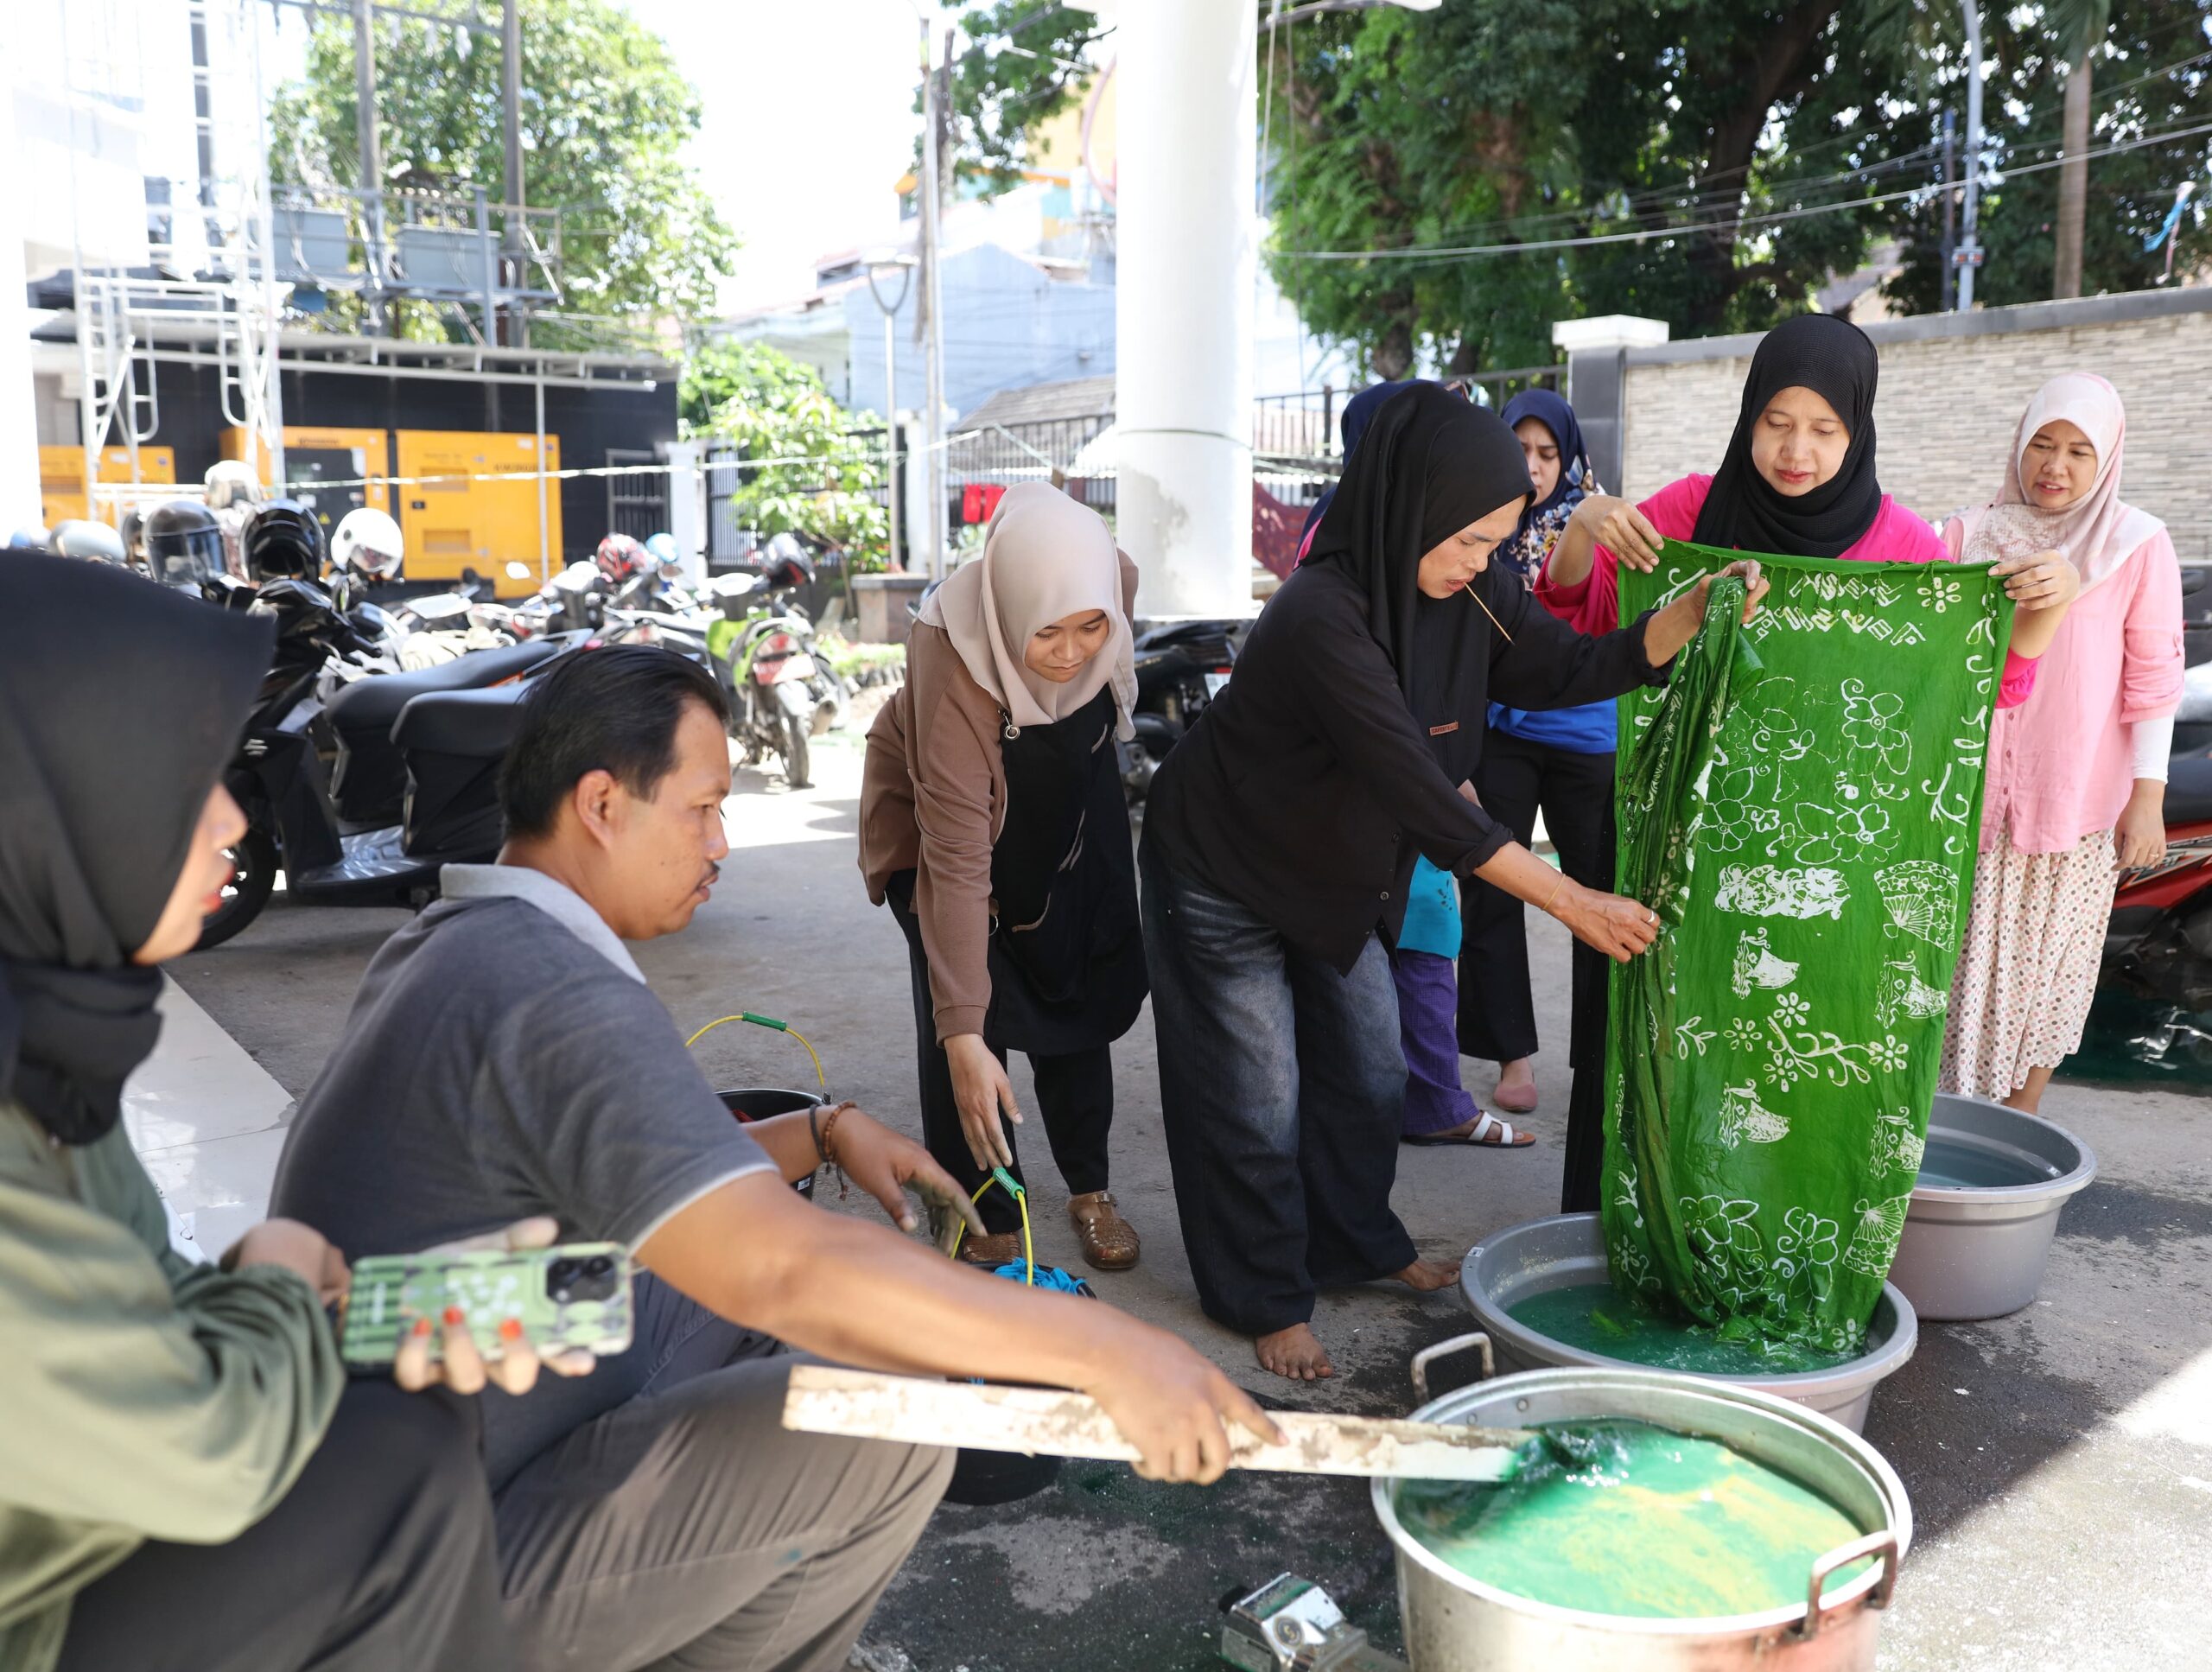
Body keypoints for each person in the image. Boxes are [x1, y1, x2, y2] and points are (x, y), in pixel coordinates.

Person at [270, 645, 1279, 1672]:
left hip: (449, 1413)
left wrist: (825, 1130)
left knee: (823, 1301)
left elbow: (637, 1181)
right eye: (703, 808)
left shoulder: (458, 942)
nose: (720, 843)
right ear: (603, 805)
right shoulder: (548, 991)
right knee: (891, 1420)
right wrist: (1106, 1351)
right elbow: (778, 1265)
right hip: (418, 1574)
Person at [0, 551, 578, 1672]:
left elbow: (114, 1321)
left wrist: (288, 1295)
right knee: (390, 1468)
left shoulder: (47, 1046)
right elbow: (206, 1444)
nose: (228, 820)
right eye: (180, 778)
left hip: (63, 1530)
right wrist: (271, 1277)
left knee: (394, 1396)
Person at [1139, 383, 1772, 1381]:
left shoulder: (1470, 589)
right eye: (1472, 541)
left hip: (1335, 872)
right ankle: (1262, 1292)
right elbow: (1423, 795)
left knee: (1370, 1068)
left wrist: (1681, 619)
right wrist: (1574, 901)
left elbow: (1564, 664)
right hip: (1225, 871)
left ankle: (1352, 1244)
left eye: (1495, 543)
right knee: (1254, 1094)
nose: (1486, 563)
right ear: (1411, 507)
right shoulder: (1321, 616)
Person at [1535, 312, 2078, 1211]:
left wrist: (2042, 616)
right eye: (1776, 421)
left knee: (1792, 1055)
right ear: (1748, 416)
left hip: (1828, 854)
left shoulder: (1902, 547)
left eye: (1825, 429)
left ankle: (1775, 1238)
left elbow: (1972, 689)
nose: (1797, 450)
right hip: (1681, 835)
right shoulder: (1685, 512)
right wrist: (1581, 525)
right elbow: (1584, 615)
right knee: (1664, 1042)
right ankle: (1635, 1234)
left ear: (1857, 430)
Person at [860, 484, 1148, 1270]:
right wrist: (961, 1030)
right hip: (946, 823)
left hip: (1064, 805)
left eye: (1092, 627)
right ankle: (989, 1204)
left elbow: (1096, 634)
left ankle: (1090, 1188)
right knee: (965, 1012)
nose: (1070, 652)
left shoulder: (1111, 577)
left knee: (1073, 990)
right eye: (1045, 630)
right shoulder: (948, 656)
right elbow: (954, 858)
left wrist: (1093, 626)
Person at [1940, 373, 2184, 1112]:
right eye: (2042, 444)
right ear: (2019, 444)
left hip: (2073, 803)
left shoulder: (2134, 543)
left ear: (2107, 458)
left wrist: (2147, 799)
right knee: (1959, 970)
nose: (2056, 465)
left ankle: (2019, 1126)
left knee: (2050, 970)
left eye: (2080, 450)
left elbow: (2153, 679)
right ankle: (1939, 1124)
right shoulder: (1964, 534)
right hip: (1964, 800)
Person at [1459, 389, 1611, 1138]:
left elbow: (1607, 620)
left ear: (1570, 455)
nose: (1534, 466)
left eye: (1548, 453)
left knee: (1596, 892)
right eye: (1520, 450)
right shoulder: (1481, 523)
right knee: (1494, 879)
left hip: (1588, 732)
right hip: (1505, 728)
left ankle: (1598, 1057)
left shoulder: (1600, 520)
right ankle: (1511, 1056)